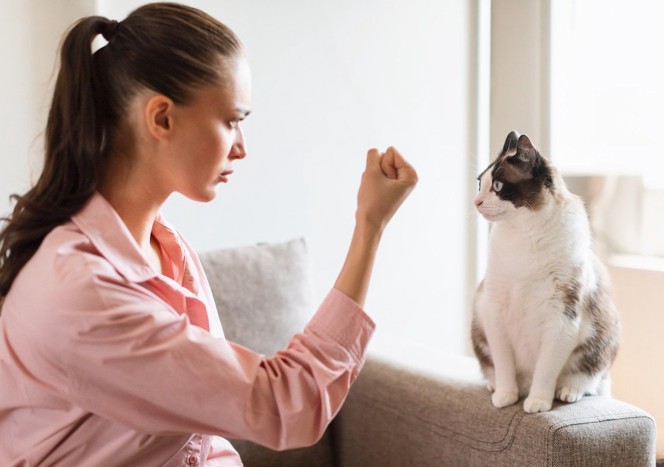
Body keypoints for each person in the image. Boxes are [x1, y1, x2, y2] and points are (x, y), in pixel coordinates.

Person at [0, 3, 417, 465]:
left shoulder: (167, 250)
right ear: (161, 118)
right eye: (231, 120)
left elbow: (205, 442)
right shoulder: (82, 290)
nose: (241, 147)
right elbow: (285, 404)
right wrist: (370, 226)